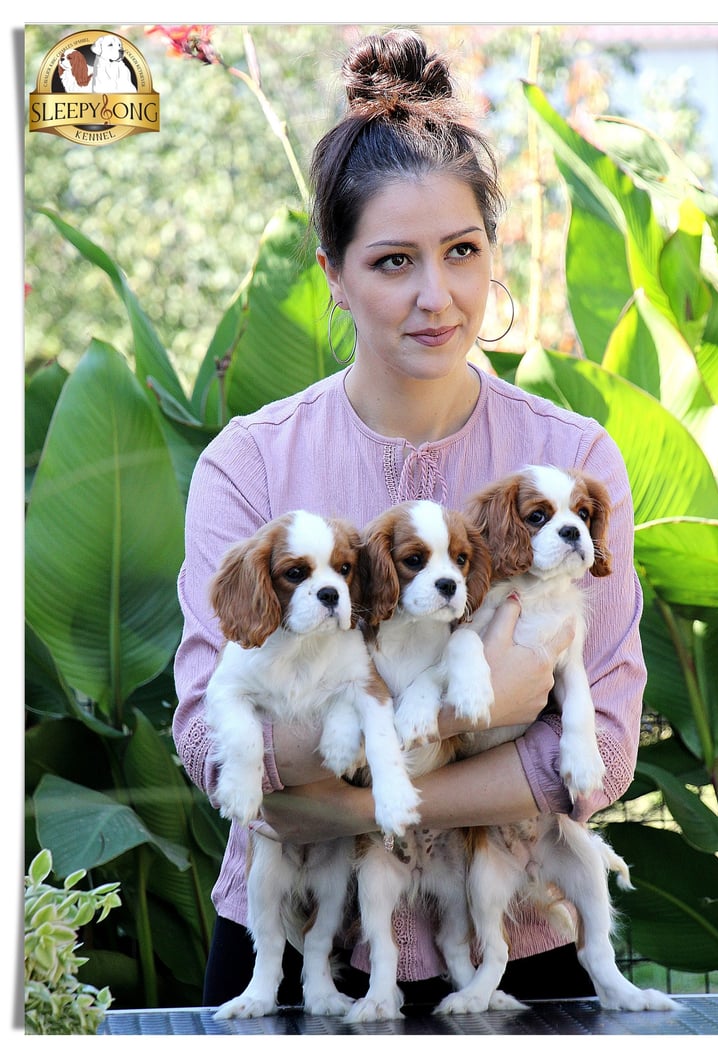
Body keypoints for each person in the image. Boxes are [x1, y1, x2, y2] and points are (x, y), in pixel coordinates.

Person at [173, 28, 646, 1011]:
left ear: (492, 252)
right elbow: (215, 743)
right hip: (291, 948)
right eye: (393, 262)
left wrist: (349, 800)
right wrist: (494, 709)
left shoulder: (574, 465)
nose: (439, 297)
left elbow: (596, 742)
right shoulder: (251, 466)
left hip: (516, 951)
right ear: (334, 274)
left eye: (463, 251)